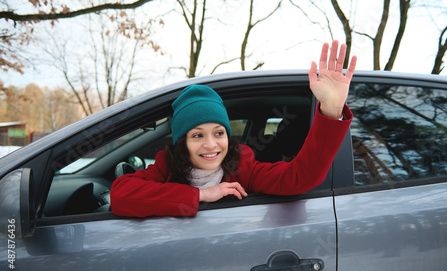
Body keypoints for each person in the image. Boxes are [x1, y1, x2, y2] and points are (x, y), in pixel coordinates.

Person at [110, 40, 357, 217]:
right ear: (182, 142)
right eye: (197, 135)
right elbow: (121, 196)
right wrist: (201, 195)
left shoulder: (242, 166)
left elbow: (301, 177)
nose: (211, 145)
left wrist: (332, 110)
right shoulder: (166, 166)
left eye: (219, 133)